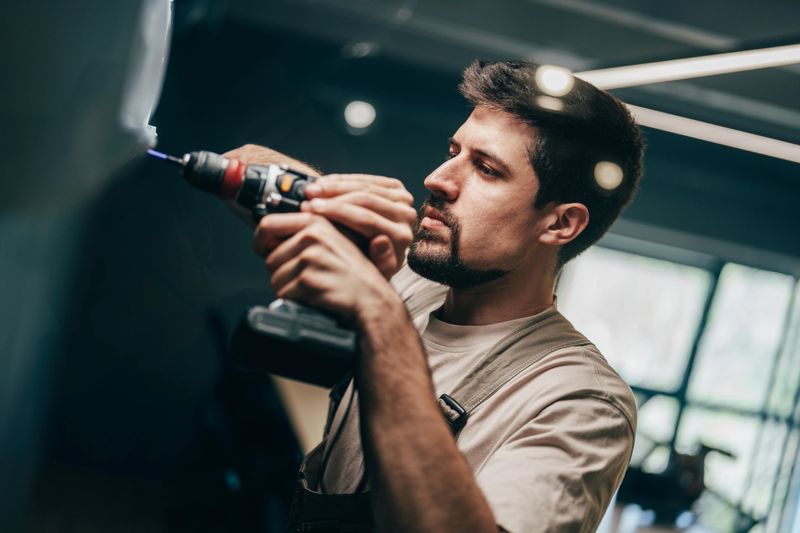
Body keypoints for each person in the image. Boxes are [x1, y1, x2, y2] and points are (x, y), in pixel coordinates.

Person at [233, 59, 644, 532]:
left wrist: (383, 323)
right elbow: (240, 160)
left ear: (560, 223)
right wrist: (326, 197)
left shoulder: (581, 401)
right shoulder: (409, 280)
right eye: (453, 152)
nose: (437, 179)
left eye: (486, 169)